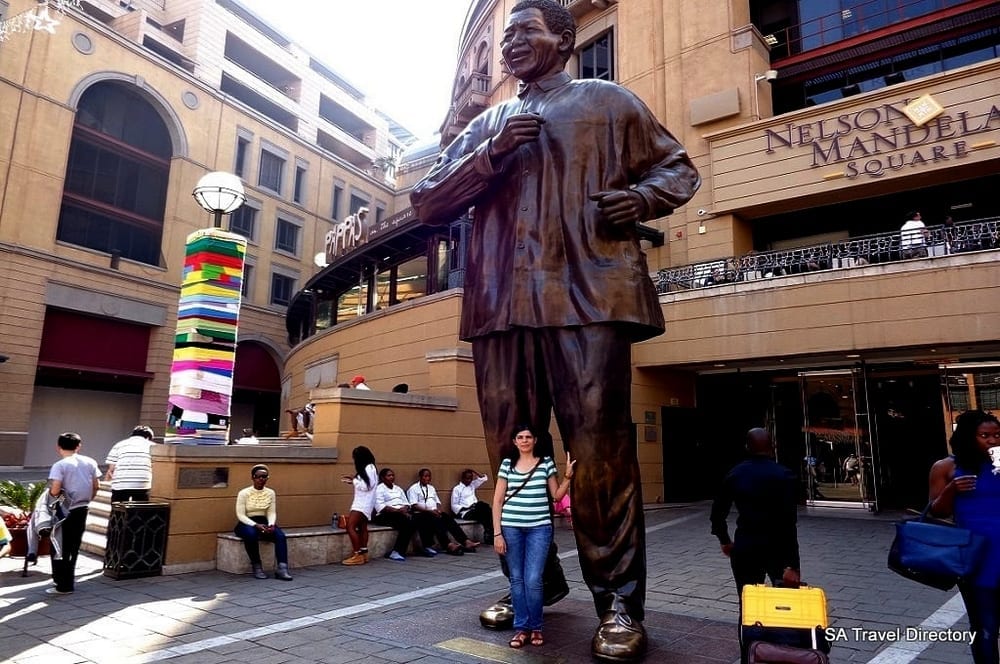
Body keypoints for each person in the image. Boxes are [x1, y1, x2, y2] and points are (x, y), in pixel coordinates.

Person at [410, 1, 700, 657]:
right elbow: (426, 200)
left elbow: (677, 168)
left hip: (587, 297)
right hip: (500, 308)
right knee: (514, 464)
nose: (511, 44)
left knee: (599, 458)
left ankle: (620, 604)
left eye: (525, 32)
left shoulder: (606, 101)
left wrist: (641, 199)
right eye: (505, 34)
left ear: (564, 41)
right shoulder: (488, 123)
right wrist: (487, 155)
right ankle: (530, 586)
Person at [492, 425, 575, 649]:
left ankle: (536, 627)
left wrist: (567, 477)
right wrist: (497, 534)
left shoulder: (545, 463)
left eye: (528, 437)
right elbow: (498, 501)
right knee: (517, 580)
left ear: (535, 440)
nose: (525, 440)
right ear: (515, 441)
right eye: (520, 437)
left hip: (539, 528)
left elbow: (556, 496)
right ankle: (522, 628)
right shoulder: (507, 465)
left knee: (533, 580)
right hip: (511, 528)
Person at [928, 410, 1000, 664]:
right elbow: (937, 511)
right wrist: (951, 489)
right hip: (976, 556)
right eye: (985, 435)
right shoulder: (946, 467)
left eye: (997, 435)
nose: (993, 440)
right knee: (985, 626)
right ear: (970, 437)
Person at [710, 428, 801, 601]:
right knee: (784, 603)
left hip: (746, 546)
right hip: (778, 547)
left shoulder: (735, 474)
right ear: (772, 447)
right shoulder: (785, 475)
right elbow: (789, 522)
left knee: (748, 604)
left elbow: (718, 513)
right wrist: (792, 565)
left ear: (747, 447)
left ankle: (747, 629)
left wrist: (725, 540)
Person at [47, 432, 100, 595]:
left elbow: (55, 489)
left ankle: (61, 583)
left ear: (58, 447)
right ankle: (68, 582)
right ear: (78, 446)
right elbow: (96, 486)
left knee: (58, 545)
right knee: (73, 546)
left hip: (63, 510)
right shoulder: (90, 462)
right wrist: (87, 500)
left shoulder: (60, 465)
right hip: (82, 508)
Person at [234, 464, 292, 581]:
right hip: (247, 522)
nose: (261, 479)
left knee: (280, 536)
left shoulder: (270, 492)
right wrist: (255, 525)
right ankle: (257, 566)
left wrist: (271, 524)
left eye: (264, 477)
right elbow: (240, 514)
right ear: (253, 477)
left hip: (263, 521)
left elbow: (271, 512)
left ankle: (282, 568)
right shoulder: (244, 493)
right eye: (258, 476)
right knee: (251, 535)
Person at [407, 468, 479, 556]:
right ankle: (448, 544)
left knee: (448, 519)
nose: (428, 478)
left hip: (433, 512)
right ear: (420, 477)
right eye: (425, 476)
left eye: (429, 476)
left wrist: (438, 510)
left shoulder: (431, 488)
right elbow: (414, 505)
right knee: (437, 521)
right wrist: (430, 511)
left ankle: (465, 541)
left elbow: (437, 502)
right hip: (421, 513)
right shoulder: (413, 489)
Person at [341, 446, 377, 566]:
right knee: (362, 527)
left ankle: (357, 555)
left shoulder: (369, 468)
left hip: (362, 504)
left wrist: (355, 481)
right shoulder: (369, 468)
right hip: (363, 502)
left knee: (350, 526)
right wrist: (354, 480)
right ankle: (364, 552)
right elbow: (365, 484)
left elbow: (368, 486)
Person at [372, 468, 415, 561]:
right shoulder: (379, 489)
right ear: (382, 478)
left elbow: (407, 503)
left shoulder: (398, 488)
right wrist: (399, 511)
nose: (391, 477)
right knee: (406, 523)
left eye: (392, 475)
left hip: (401, 513)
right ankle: (397, 552)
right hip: (385, 515)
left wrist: (405, 509)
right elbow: (381, 507)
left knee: (415, 520)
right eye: (389, 475)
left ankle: (421, 547)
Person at [105, 425, 155, 503]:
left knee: (118, 511)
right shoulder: (153, 446)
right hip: (142, 484)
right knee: (140, 511)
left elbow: (111, 469)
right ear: (148, 437)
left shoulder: (119, 445)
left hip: (120, 484)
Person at [451, 468, 494, 542]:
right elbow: (454, 505)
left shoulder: (472, 485)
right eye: (467, 478)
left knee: (485, 510)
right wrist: (468, 507)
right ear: (463, 478)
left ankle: (489, 533)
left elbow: (484, 478)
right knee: (483, 508)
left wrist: (474, 470)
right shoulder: (457, 489)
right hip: (466, 512)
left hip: (476, 509)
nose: (469, 480)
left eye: (471, 478)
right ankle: (489, 534)